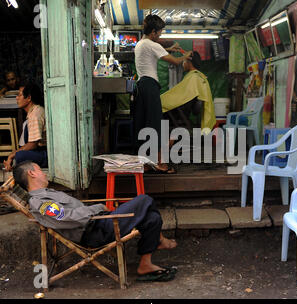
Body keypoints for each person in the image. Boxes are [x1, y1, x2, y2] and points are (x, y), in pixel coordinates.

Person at [13, 160, 178, 282]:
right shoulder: (40, 203)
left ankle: (145, 265)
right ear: (32, 173)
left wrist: (96, 209)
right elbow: (68, 217)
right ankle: (160, 240)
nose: (44, 173)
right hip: (94, 231)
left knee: (153, 218)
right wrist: (97, 208)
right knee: (144, 199)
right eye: (40, 170)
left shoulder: (45, 193)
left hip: (97, 224)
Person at [133, 14, 192, 174]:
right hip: (150, 86)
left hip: (141, 86)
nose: (160, 35)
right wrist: (184, 56)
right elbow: (174, 61)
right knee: (155, 124)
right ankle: (160, 162)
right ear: (153, 32)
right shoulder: (153, 45)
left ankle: (145, 162)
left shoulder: (140, 44)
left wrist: (168, 49)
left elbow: (155, 50)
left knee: (144, 123)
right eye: (159, 32)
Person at [161, 51, 216, 134]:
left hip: (180, 112)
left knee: (158, 108)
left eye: (184, 61)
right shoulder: (199, 76)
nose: (183, 64)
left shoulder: (193, 77)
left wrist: (160, 99)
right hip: (185, 111)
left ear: (189, 62)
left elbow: (179, 97)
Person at [3, 82, 47, 171]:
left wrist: (12, 155)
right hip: (38, 151)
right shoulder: (33, 112)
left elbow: (33, 145)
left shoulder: (36, 114)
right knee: (19, 154)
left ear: (29, 98)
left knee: (20, 156)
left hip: (46, 154)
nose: (17, 98)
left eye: (19, 95)